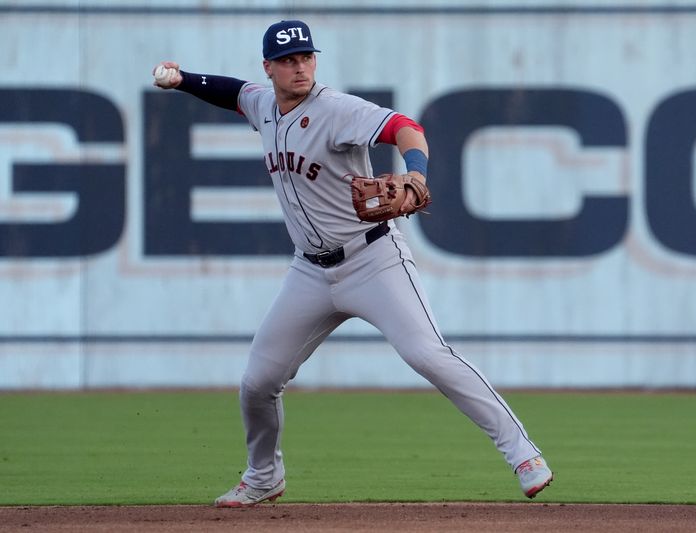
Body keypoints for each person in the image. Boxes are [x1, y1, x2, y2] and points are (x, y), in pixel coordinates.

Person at [152, 19, 553, 507]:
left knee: (428, 354)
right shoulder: (263, 104)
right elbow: (233, 92)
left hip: (373, 260)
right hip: (310, 272)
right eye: (287, 60)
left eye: (305, 57)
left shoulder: (338, 109)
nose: (299, 67)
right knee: (258, 382)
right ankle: (262, 477)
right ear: (269, 68)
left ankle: (523, 454)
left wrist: (416, 173)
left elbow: (406, 128)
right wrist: (184, 79)